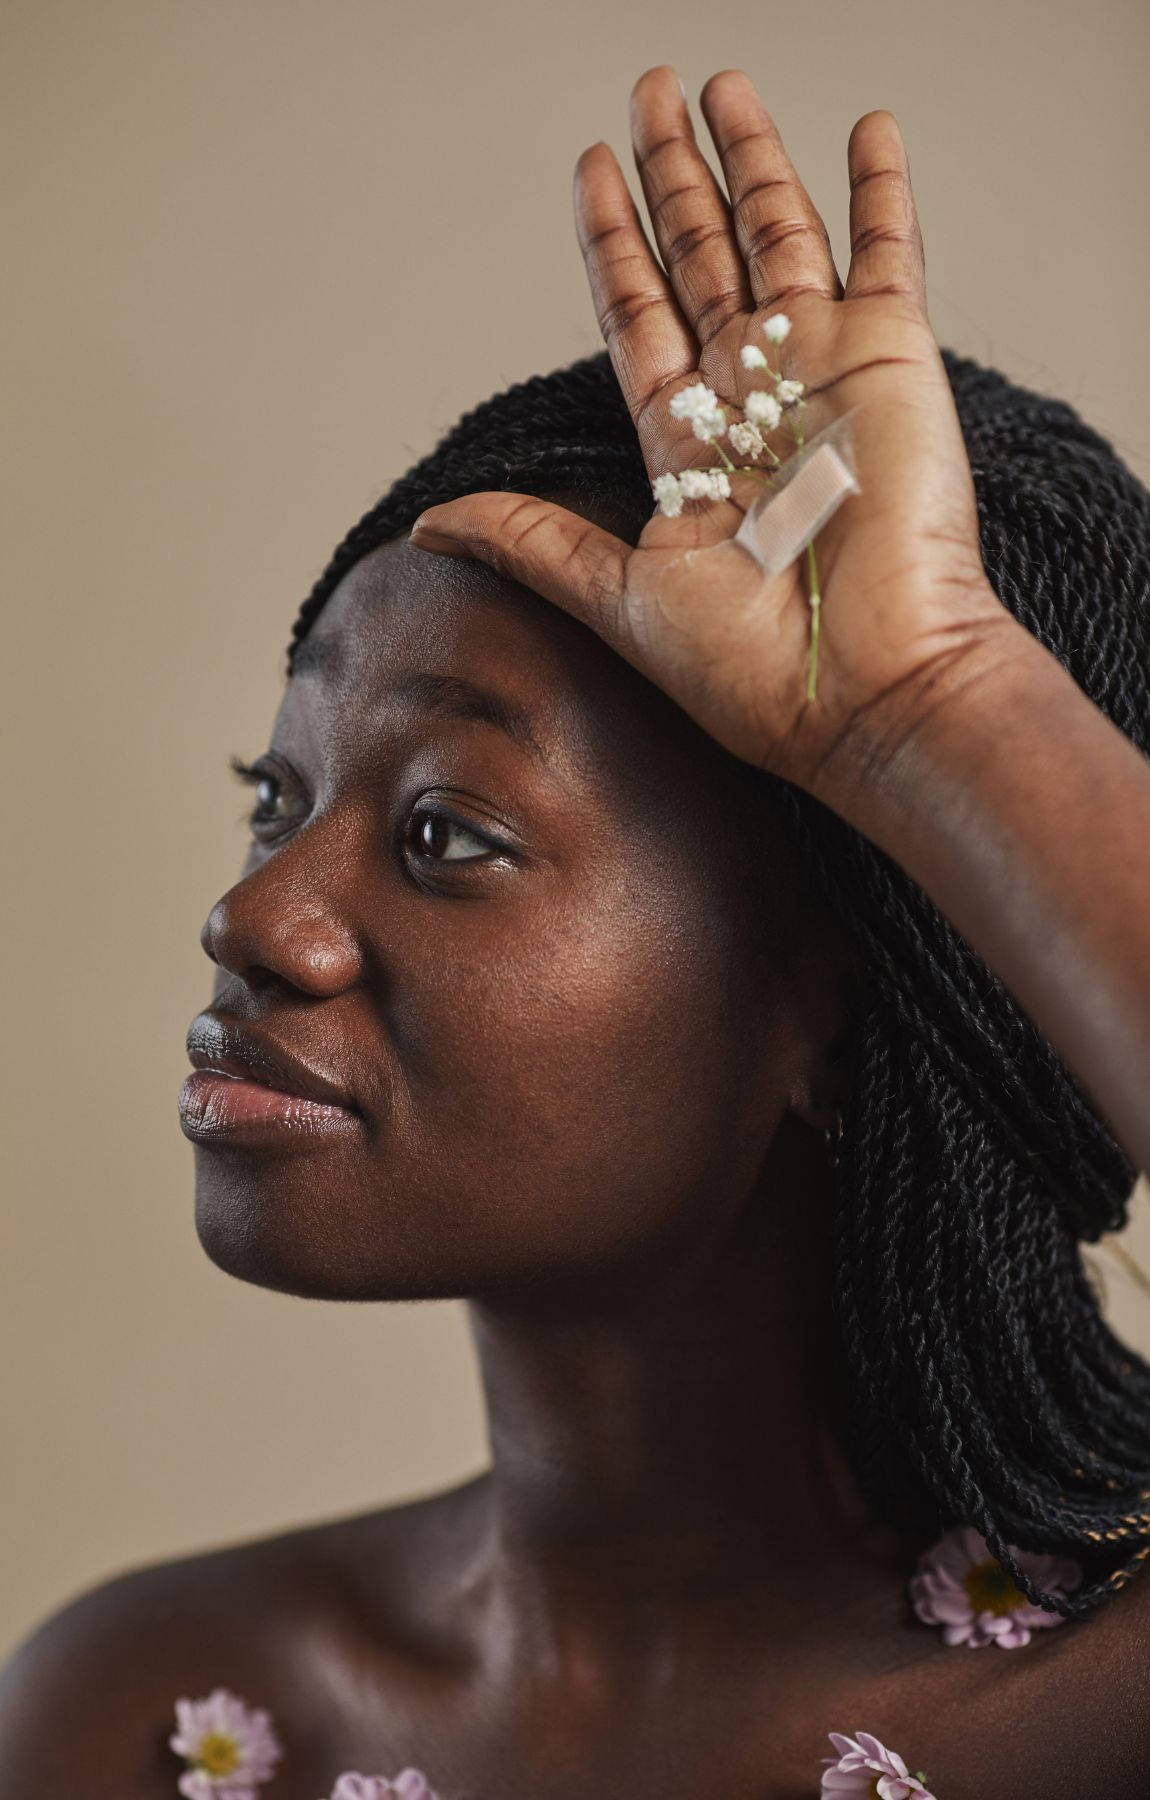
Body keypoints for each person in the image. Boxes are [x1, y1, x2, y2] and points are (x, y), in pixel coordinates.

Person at [2, 63, 1150, 1800]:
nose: (252, 917)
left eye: (444, 833)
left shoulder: (1100, 1724)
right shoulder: (153, 1709)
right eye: (275, 800)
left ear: (835, 1004)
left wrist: (926, 707)